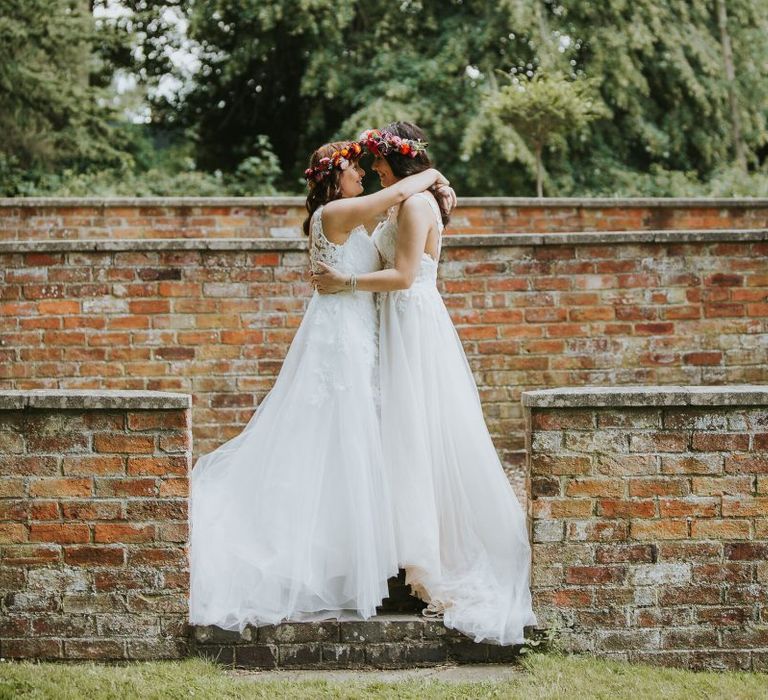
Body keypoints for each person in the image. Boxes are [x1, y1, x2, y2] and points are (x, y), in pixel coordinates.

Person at [188, 139, 452, 631]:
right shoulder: (336, 212)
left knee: (353, 443)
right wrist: (434, 176)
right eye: (356, 170)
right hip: (342, 336)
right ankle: (336, 560)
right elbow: (399, 194)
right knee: (339, 438)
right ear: (336, 177)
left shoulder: (344, 214)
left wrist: (436, 186)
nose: (365, 176)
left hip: (359, 329)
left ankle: (363, 552)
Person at [312, 122, 537, 645]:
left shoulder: (415, 206)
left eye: (378, 163)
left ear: (397, 163)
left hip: (410, 318)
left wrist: (344, 281)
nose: (372, 172)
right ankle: (402, 556)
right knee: (403, 435)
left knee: (415, 434)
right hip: (398, 319)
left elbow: (406, 275)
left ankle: (424, 562)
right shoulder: (409, 199)